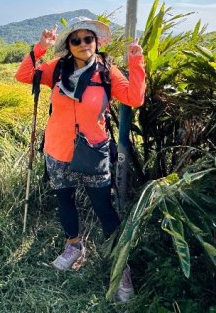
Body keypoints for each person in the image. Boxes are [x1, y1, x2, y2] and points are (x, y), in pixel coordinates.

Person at [15, 17, 145, 303]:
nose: (83, 44)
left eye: (89, 39)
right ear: (69, 45)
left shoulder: (107, 72)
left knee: (104, 208)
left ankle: (120, 266)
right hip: (58, 149)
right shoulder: (57, 68)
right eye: (77, 40)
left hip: (93, 151)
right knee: (64, 199)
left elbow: (134, 98)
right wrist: (41, 47)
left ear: (96, 42)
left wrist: (136, 62)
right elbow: (24, 75)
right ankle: (74, 245)